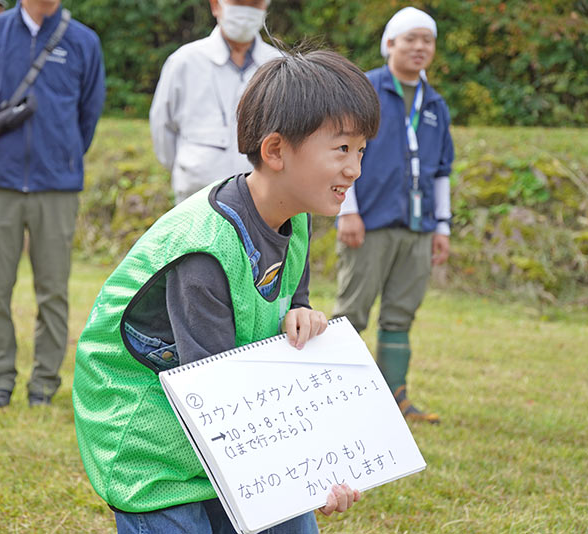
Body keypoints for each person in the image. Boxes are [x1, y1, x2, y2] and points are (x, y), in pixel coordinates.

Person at [73, 49, 380, 533]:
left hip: (232, 423)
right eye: (342, 150)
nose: (355, 169)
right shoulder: (205, 253)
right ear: (276, 150)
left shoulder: (293, 217)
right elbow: (215, 402)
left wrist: (301, 314)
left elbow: (288, 298)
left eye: (361, 151)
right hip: (154, 445)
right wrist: (310, 469)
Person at [0, 0, 105, 408]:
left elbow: (89, 114)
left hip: (57, 185)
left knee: (53, 289)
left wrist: (64, 156)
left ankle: (44, 385)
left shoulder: (83, 40)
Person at [333, 6, 454, 424]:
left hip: (418, 227)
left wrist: (443, 225)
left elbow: (442, 171)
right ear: (390, 44)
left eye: (428, 40)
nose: (420, 47)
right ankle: (333, 396)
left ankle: (395, 398)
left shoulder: (435, 102)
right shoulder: (364, 90)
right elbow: (339, 152)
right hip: (369, 222)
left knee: (401, 313)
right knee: (352, 313)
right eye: (411, 38)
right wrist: (346, 210)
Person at [149, 0, 280, 204]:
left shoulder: (279, 64)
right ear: (215, 6)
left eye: (254, 4)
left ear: (265, 8)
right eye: (238, 3)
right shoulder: (184, 62)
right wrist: (190, 166)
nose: (245, 13)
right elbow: (162, 129)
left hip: (263, 203)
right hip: (196, 198)